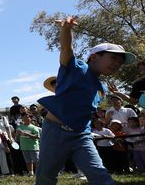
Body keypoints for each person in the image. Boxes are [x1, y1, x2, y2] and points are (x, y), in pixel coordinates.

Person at [36, 16, 136, 185]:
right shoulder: (77, 68)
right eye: (113, 58)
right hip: (55, 132)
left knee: (100, 176)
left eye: (120, 63)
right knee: (46, 176)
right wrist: (66, 29)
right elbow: (66, 49)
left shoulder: (101, 89)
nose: (116, 64)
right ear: (94, 56)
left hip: (81, 136)